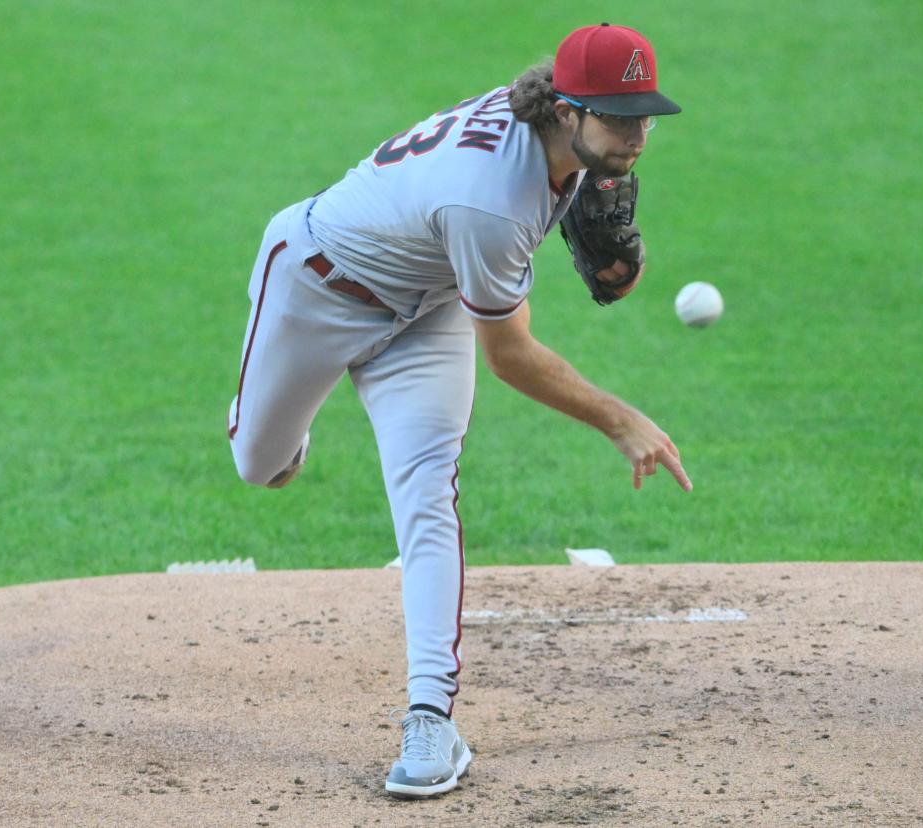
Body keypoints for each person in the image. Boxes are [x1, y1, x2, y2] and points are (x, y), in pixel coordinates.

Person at [226, 22, 691, 799]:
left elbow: (581, 243)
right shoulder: (494, 204)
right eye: (617, 116)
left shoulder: (558, 140)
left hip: (429, 306)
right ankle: (285, 410)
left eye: (643, 115)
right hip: (314, 286)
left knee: (429, 493)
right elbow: (510, 356)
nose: (637, 134)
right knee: (260, 466)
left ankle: (429, 720)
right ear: (568, 111)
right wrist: (620, 418)